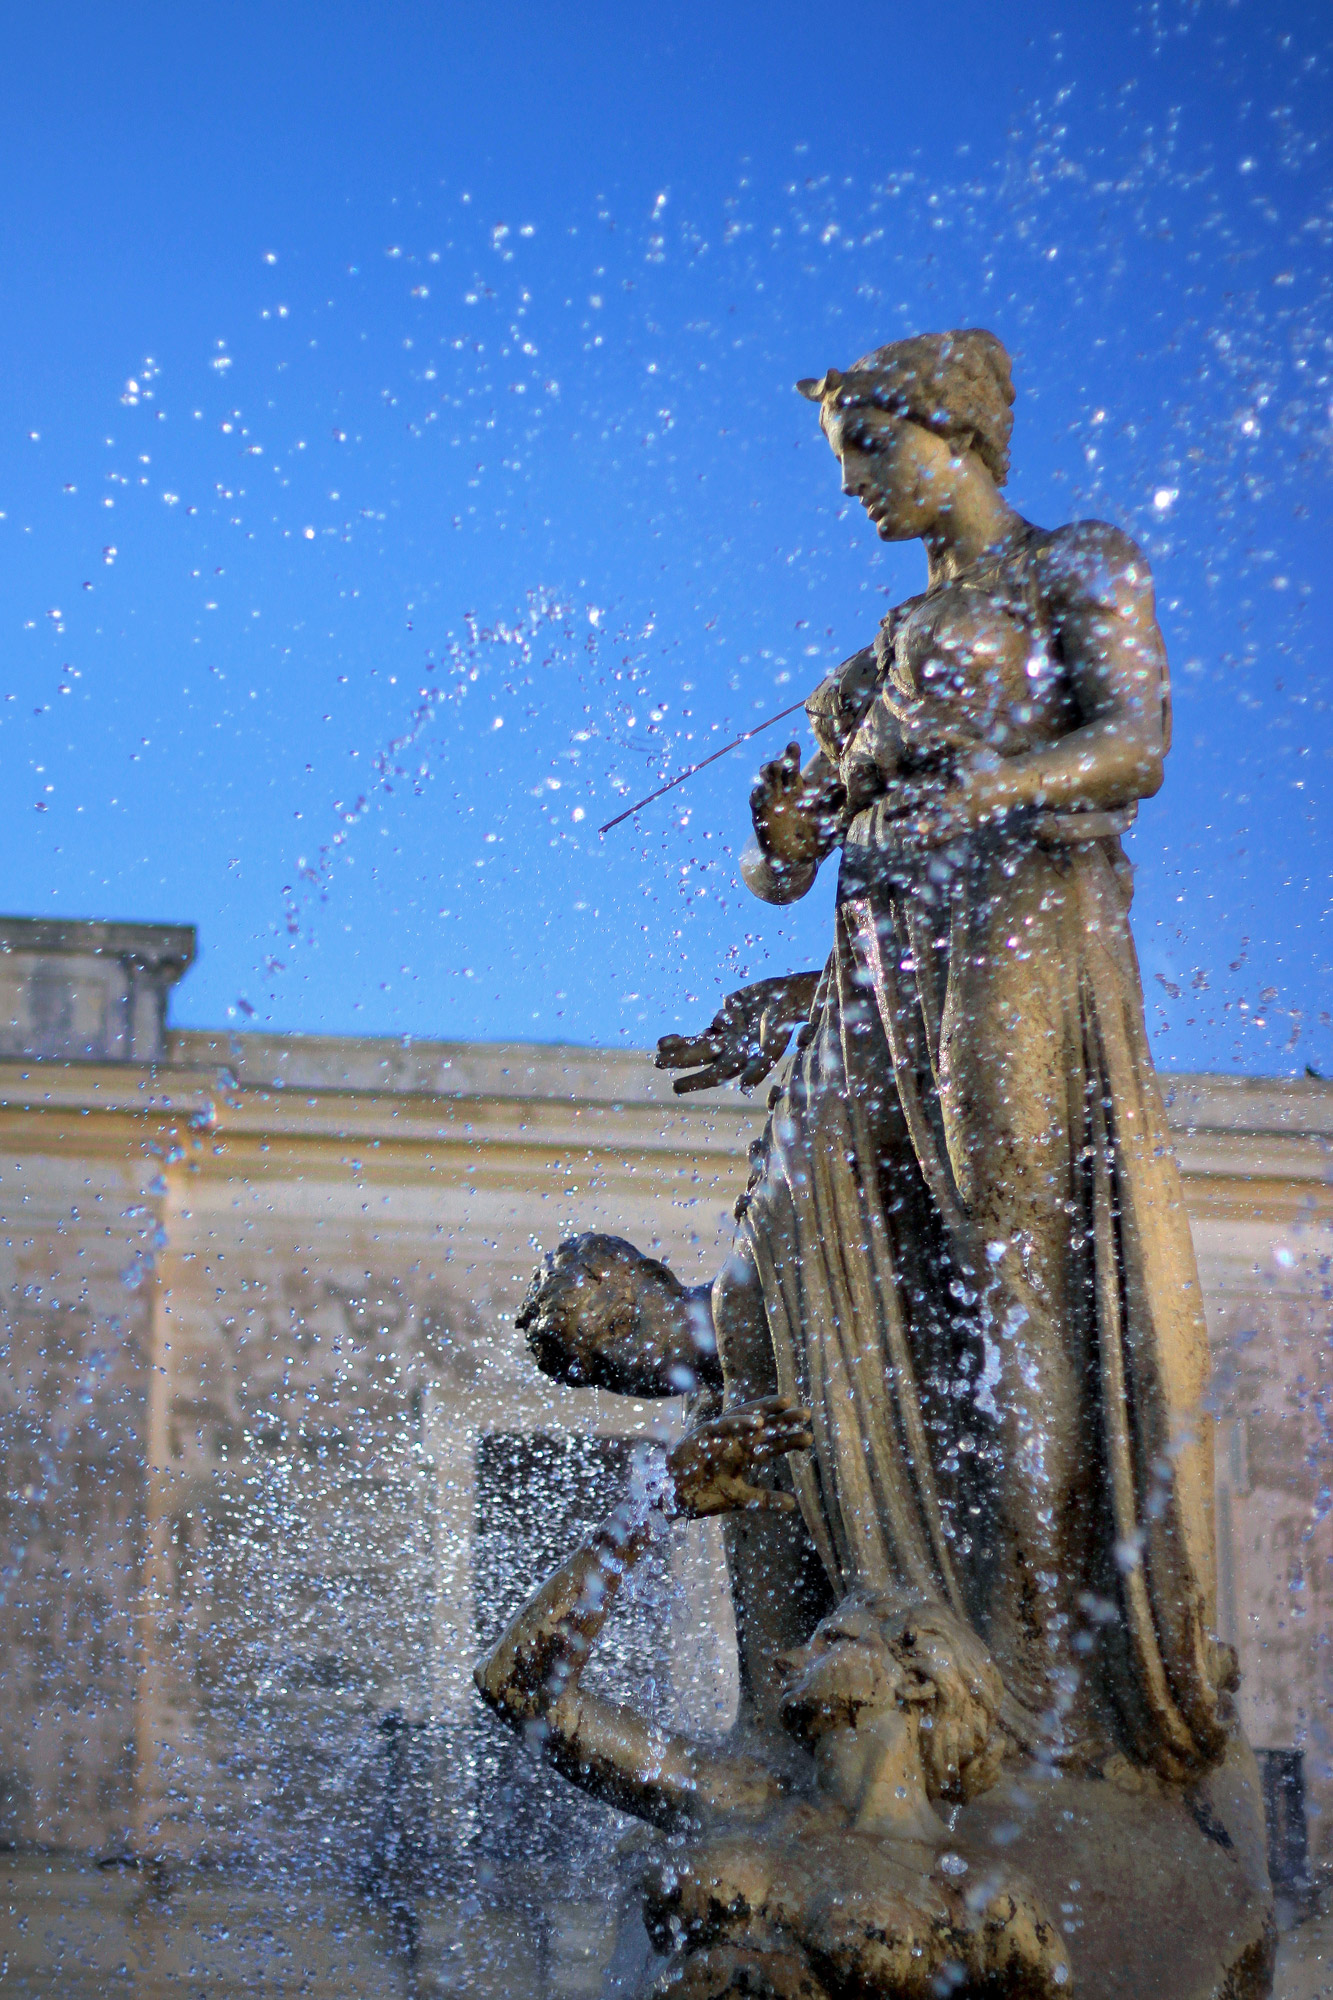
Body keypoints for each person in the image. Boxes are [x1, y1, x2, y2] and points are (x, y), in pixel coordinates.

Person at [522, 327, 1234, 1789]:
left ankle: (1034, 1665)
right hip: (875, 996)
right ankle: (861, 1634)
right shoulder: (862, 669)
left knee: (1003, 1269)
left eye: (868, 445)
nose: (850, 483)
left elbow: (1134, 745)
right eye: (840, 453)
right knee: (802, 1290)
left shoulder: (1073, 568)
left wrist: (967, 799)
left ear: (958, 429)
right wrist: (786, 845)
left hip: (1020, 953)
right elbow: (781, 872)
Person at [474, 1395, 1069, 2000]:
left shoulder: (984, 1900)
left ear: (915, 1680)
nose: (788, 1658)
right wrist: (652, 1507)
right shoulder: (728, 1793)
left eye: (832, 1641)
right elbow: (521, 1690)